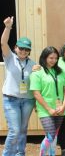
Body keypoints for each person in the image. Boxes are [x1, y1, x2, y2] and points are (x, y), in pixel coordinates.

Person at [1, 16, 36, 156]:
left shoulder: (33, 64)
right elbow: (3, 42)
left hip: (27, 100)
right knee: (14, 130)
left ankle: (20, 153)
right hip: (11, 99)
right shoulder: (9, 57)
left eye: (27, 49)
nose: (23, 51)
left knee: (22, 129)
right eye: (21, 48)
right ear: (15, 48)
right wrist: (8, 27)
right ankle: (7, 154)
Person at [30, 46, 65, 156]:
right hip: (45, 109)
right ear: (44, 58)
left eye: (56, 58)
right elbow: (36, 94)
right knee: (51, 135)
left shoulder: (61, 72)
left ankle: (52, 154)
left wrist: (63, 106)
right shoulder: (37, 73)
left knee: (55, 135)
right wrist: (49, 109)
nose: (54, 60)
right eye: (51, 58)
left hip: (60, 108)